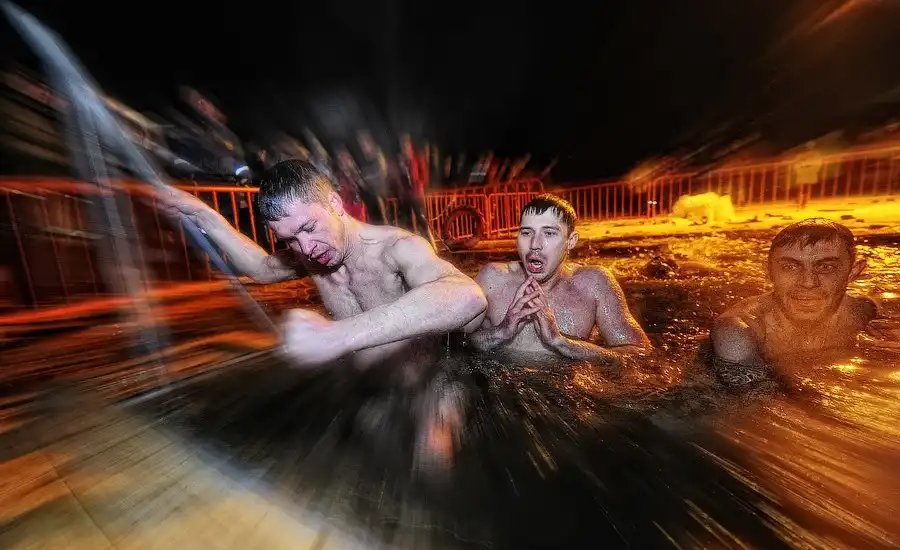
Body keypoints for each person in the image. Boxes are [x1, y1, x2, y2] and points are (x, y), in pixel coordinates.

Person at [157, 159, 486, 369]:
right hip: (371, 390)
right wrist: (203, 215)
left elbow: (468, 297)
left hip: (427, 387)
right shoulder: (312, 258)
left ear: (335, 203)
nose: (306, 249)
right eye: (290, 239)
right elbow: (261, 268)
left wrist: (336, 336)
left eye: (309, 227)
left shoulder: (397, 248)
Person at [469, 194, 650, 362]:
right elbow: (457, 342)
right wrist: (500, 333)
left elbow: (640, 354)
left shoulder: (594, 284)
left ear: (571, 241)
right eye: (526, 233)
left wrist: (562, 343)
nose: (535, 244)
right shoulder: (493, 279)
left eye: (549, 233)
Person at [711, 219, 877, 385]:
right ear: (768, 271)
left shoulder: (863, 313)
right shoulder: (738, 334)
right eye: (790, 267)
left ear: (853, 272)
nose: (808, 282)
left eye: (826, 267)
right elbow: (748, 396)